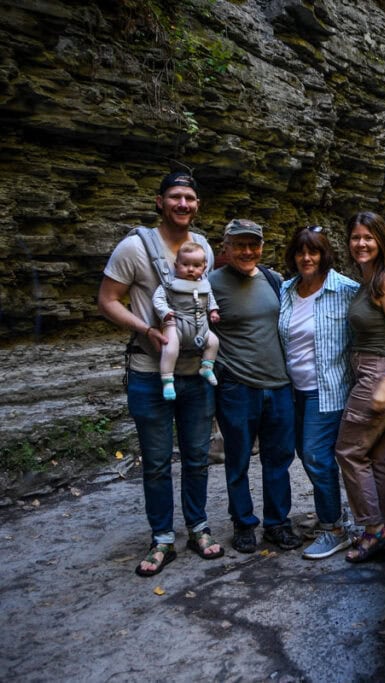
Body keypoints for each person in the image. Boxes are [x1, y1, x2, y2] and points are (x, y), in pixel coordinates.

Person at [97, 170, 224, 576]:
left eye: (189, 197)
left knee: (198, 457)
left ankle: (199, 527)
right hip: (150, 372)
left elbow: (206, 295)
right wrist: (146, 328)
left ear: (197, 204)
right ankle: (162, 539)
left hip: (196, 372)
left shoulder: (201, 245)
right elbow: (107, 300)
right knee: (155, 461)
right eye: (175, 197)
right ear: (159, 202)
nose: (183, 204)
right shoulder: (134, 247)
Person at [209, 218, 302, 553]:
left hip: (278, 386)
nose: (247, 251)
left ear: (261, 247)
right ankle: (244, 523)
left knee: (279, 460)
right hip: (237, 387)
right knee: (238, 460)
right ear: (226, 246)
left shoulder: (272, 279)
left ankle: (277, 523)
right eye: (239, 244)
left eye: (253, 244)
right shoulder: (210, 284)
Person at [335, 211, 385, 563]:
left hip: (378, 375)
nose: (361, 243)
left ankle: (373, 529)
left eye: (368, 237)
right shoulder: (368, 280)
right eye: (355, 237)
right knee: (380, 456)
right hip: (375, 372)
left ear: (382, 240)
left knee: (349, 451)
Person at [278, 225, 360, 559]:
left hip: (327, 390)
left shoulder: (346, 289)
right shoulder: (285, 289)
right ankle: (336, 516)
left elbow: (375, 323)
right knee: (309, 455)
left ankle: (335, 528)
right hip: (291, 390)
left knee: (315, 456)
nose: (307, 258)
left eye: (313, 251)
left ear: (325, 254)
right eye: (300, 251)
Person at [152, 241, 221, 400]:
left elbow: (210, 299)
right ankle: (167, 380)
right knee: (170, 349)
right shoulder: (169, 284)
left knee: (214, 341)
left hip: (200, 325)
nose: (191, 269)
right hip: (177, 323)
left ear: (204, 267)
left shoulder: (205, 285)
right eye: (185, 264)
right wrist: (165, 311)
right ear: (176, 265)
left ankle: (206, 366)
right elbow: (158, 299)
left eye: (196, 265)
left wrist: (213, 311)